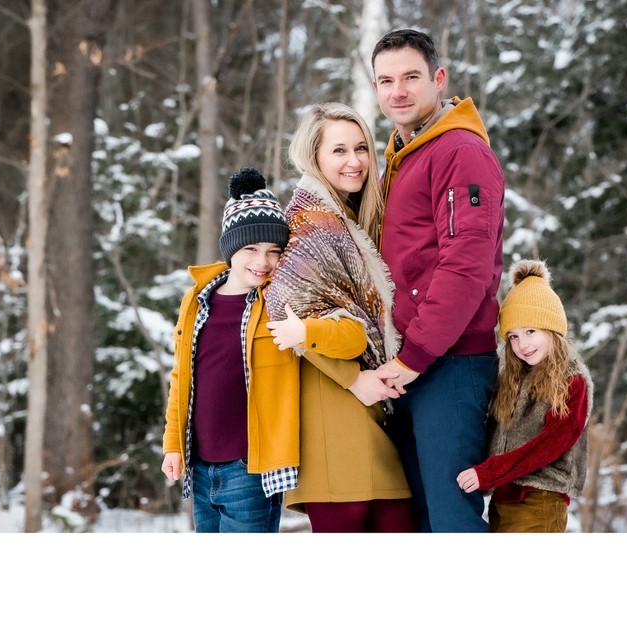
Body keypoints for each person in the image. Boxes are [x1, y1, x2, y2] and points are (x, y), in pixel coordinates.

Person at [369, 28, 505, 531]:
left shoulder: (459, 152)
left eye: (410, 77)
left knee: (451, 519)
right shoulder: (404, 154)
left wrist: (413, 357)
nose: (397, 91)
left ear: (438, 79)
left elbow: (465, 265)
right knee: (422, 518)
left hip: (449, 363)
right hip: (414, 362)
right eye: (386, 80)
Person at [266, 102, 414, 533]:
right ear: (314, 157)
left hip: (371, 408)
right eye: (339, 151)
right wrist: (354, 379)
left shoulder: (348, 219)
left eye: (361, 148)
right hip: (334, 410)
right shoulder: (308, 223)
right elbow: (286, 315)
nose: (354, 162)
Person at [160, 167, 299, 533]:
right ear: (230, 248)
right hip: (201, 466)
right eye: (250, 248)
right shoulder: (197, 299)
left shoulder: (279, 300)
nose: (262, 261)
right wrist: (173, 444)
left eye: (273, 251)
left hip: (249, 467)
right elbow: (182, 377)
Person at [456, 259, 592, 533]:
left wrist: (489, 473)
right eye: (513, 336)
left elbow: (550, 446)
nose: (522, 345)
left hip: (540, 501)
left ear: (552, 329)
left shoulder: (572, 381)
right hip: (503, 500)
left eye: (530, 331)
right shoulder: (513, 376)